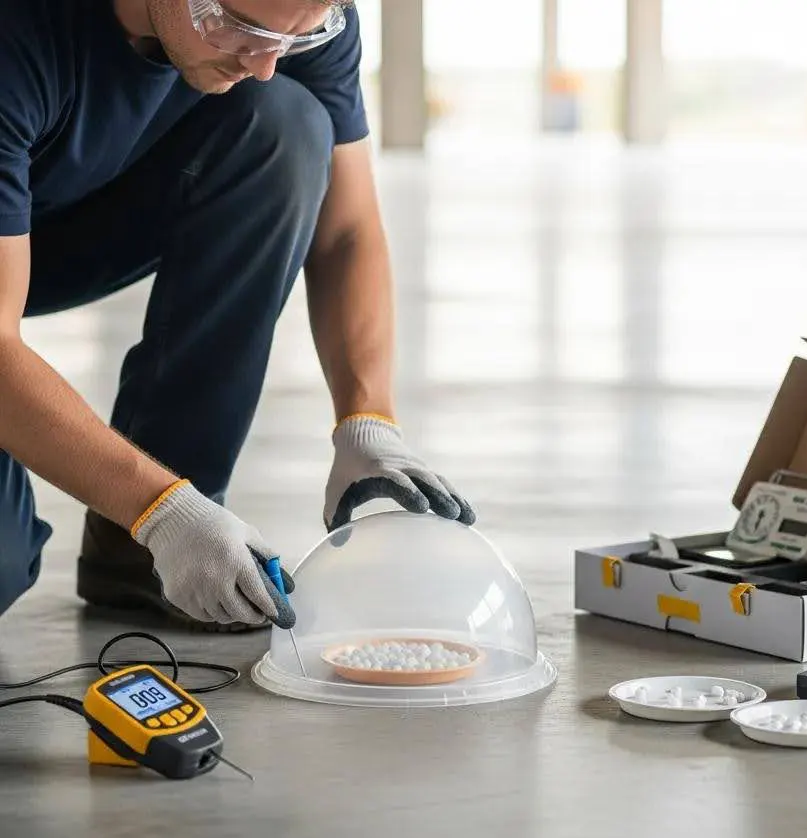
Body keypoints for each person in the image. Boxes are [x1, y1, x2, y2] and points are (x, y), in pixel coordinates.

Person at [0, 0, 475, 632]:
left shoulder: (290, 14)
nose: (265, 62)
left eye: (295, 41)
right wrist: (162, 509)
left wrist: (367, 424)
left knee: (286, 125)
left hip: (50, 222)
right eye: (241, 30)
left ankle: (136, 553)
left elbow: (346, 231)